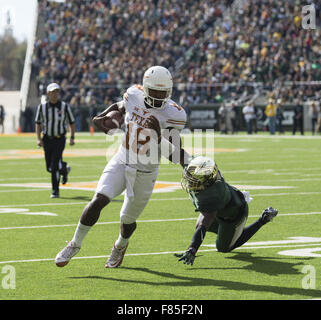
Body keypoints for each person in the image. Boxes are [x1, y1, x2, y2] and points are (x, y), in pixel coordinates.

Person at [55, 66, 191, 268]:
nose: (157, 96)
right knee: (99, 199)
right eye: (154, 91)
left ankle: (120, 244)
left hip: (146, 171)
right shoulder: (134, 94)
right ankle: (75, 243)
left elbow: (174, 154)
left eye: (162, 93)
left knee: (127, 220)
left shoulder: (174, 114)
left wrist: (158, 135)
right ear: (145, 88)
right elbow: (119, 107)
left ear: (169, 92)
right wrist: (102, 118)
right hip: (122, 159)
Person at [175, 156, 278, 266]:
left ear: (207, 181)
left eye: (195, 179)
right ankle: (231, 234)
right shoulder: (201, 172)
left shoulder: (214, 194)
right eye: (190, 176)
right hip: (222, 207)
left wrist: (192, 248)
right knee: (204, 227)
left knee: (223, 248)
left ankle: (263, 219)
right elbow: (180, 154)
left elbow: (204, 223)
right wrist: (162, 142)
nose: (190, 180)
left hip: (234, 216)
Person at [35, 83, 75, 198]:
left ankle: (55, 191)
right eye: (53, 92)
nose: (55, 94)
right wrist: (38, 139)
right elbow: (38, 123)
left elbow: (72, 122)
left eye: (57, 91)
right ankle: (64, 169)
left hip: (59, 139)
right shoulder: (42, 107)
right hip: (47, 139)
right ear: (48, 93)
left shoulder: (64, 106)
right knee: (49, 167)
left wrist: (72, 137)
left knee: (54, 165)